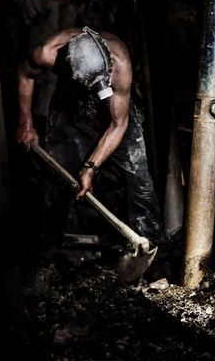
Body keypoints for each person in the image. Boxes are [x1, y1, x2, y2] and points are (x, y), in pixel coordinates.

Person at [16, 26, 165, 257]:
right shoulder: (48, 53)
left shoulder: (120, 64)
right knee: (56, 180)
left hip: (114, 110)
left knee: (139, 179)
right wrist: (26, 123)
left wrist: (90, 168)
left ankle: (151, 249)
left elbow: (118, 125)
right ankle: (42, 250)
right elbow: (25, 74)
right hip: (70, 109)